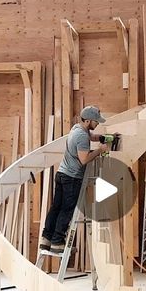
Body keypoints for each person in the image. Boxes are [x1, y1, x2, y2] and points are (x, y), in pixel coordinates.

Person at [39, 105, 108, 254]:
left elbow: (89, 136)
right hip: (72, 178)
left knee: (56, 207)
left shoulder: (77, 129)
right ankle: (57, 242)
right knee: (67, 209)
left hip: (62, 174)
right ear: (88, 120)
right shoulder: (82, 136)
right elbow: (84, 159)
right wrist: (100, 150)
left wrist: (100, 138)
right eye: (96, 122)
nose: (97, 124)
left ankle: (47, 239)